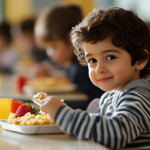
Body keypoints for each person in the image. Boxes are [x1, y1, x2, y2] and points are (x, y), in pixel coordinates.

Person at [39, 7, 150, 150]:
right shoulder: (111, 95)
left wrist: (62, 113)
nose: (99, 69)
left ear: (140, 59)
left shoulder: (139, 96)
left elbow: (115, 134)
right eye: (92, 60)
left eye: (110, 57)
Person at [35, 5, 104, 108]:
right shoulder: (75, 64)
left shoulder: (83, 65)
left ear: (70, 39)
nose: (50, 53)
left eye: (54, 47)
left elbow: (83, 97)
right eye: (47, 48)